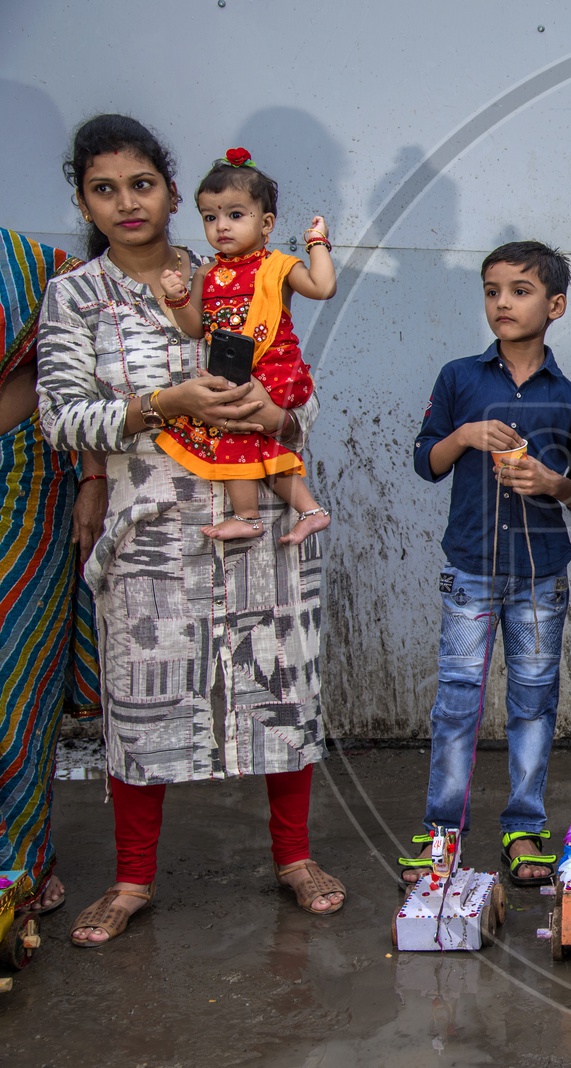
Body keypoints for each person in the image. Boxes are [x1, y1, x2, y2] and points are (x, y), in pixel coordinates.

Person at [36, 114, 343, 947]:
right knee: (143, 705)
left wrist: (284, 413)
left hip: (264, 519)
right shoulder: (77, 294)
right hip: (153, 531)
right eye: (104, 189)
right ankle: (133, 879)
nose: (127, 202)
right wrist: (160, 405)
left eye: (142, 184)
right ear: (84, 202)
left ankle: (295, 857)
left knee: (283, 689)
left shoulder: (234, 266)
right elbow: (61, 421)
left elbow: (296, 386)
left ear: (173, 191)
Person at [406, 240, 571, 886]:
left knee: (534, 702)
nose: (503, 303)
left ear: (556, 305)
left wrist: (551, 482)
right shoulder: (460, 378)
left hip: (541, 574)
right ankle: (443, 830)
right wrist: (461, 436)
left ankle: (524, 825)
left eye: (520, 290)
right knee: (457, 701)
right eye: (492, 291)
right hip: (470, 571)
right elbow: (424, 463)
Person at [0, 227, 103, 918]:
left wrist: (93, 477)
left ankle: (18, 862)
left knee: (15, 684)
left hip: (23, 492)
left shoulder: (36, 271)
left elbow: (73, 381)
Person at [156, 148, 333, 544]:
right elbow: (191, 328)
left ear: (266, 223)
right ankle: (311, 510)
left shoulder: (279, 267)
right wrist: (178, 298)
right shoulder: (205, 274)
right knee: (249, 437)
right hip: (238, 373)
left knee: (235, 431)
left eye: (236, 215)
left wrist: (317, 243)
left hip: (276, 372)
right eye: (210, 217)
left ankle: (250, 516)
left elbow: (323, 288)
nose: (222, 226)